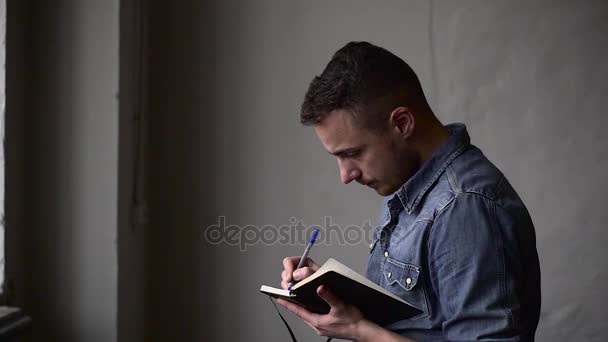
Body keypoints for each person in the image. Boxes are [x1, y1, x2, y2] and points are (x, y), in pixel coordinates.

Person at [278, 41, 541, 341]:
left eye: (353, 152)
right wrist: (333, 294)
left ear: (402, 124)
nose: (345, 175)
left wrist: (357, 330)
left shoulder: (463, 207)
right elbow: (419, 321)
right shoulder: (411, 184)